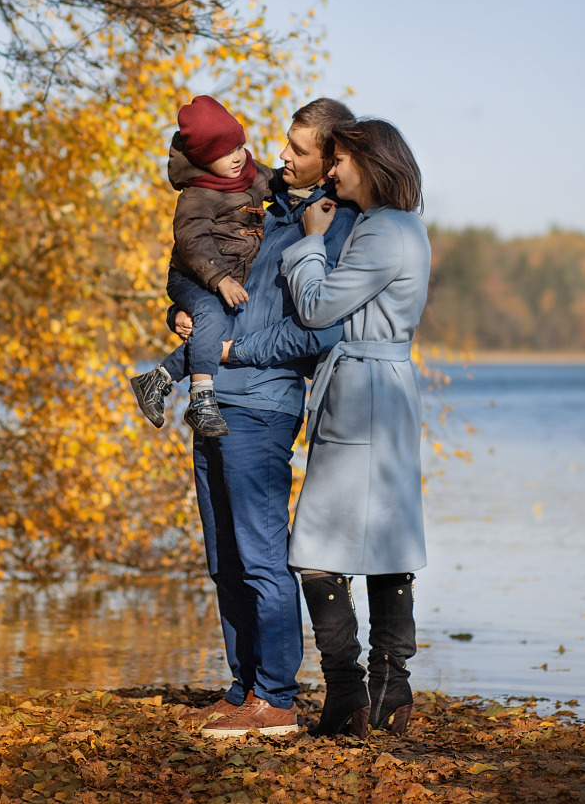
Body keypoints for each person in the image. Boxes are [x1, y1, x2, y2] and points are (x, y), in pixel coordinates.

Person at [166, 98, 359, 738]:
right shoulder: (267, 201)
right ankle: (243, 685)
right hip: (215, 400)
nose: (282, 157)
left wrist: (232, 349)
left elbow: (317, 334)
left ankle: (276, 699)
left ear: (332, 160)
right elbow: (197, 255)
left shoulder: (330, 227)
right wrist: (183, 313)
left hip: (264, 404)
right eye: (285, 144)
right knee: (223, 557)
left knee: (259, 557)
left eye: (298, 150)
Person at [278, 118, 431, 738]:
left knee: (314, 548)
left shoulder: (382, 233)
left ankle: (349, 691)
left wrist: (311, 240)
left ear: (369, 164)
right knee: (388, 542)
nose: (332, 170)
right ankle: (389, 693)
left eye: (339, 160)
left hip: (365, 391)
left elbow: (317, 308)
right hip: (383, 390)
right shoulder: (404, 227)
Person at [129, 95, 273, 437]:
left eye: (239, 145)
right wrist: (221, 278)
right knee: (210, 313)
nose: (237, 157)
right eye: (224, 154)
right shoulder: (197, 194)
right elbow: (192, 240)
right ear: (205, 160)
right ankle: (201, 400)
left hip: (219, 280)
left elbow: (280, 183)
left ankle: (158, 379)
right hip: (191, 276)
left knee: (212, 329)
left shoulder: (251, 174)